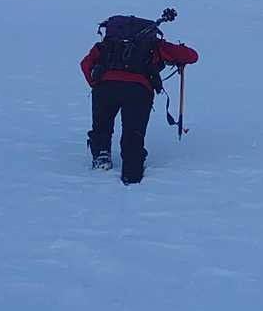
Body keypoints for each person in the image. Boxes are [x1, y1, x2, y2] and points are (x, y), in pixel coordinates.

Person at [81, 11, 198, 185]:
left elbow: (85, 64)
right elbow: (192, 56)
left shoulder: (106, 45)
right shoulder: (153, 45)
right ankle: (132, 170)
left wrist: (96, 83)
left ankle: (101, 158)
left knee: (102, 126)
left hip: (105, 88)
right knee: (133, 131)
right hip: (139, 90)